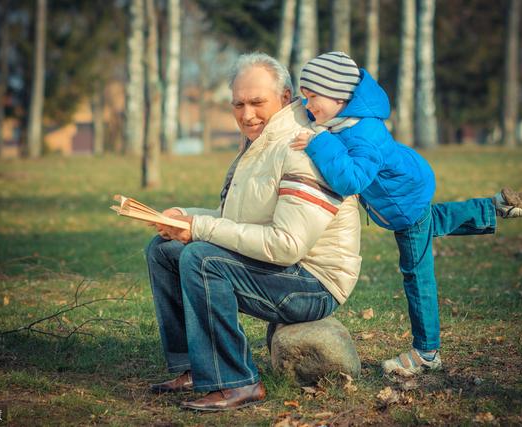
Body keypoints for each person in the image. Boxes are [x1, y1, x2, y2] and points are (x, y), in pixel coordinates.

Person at [290, 51, 522, 377]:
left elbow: (351, 179)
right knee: (434, 221)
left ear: (337, 95)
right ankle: (493, 207)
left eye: (312, 97)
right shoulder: (341, 119)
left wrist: (318, 142)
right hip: (409, 190)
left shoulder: (363, 133)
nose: (307, 106)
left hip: (404, 201)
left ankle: (427, 351)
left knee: (417, 275)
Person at [145, 52, 362, 411]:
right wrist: (184, 218)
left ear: (287, 96)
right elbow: (238, 218)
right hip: (281, 268)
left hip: (314, 282)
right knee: (164, 250)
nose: (247, 114)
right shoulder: (258, 144)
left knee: (201, 258)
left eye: (257, 102)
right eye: (238, 104)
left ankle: (237, 382)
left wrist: (199, 228)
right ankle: (192, 368)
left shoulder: (302, 146)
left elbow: (287, 245)